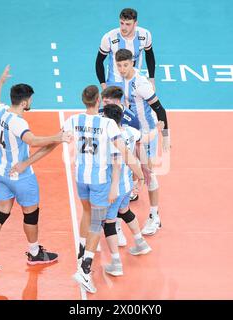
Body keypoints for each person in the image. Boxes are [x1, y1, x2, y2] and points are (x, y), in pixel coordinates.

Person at [0, 65, 71, 273]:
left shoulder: (1, 111)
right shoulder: (18, 123)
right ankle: (35, 252)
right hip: (21, 176)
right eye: (31, 100)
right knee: (31, 214)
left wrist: (0, 81)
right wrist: (58, 137)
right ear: (25, 102)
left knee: (0, 213)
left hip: (1, 172)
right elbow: (33, 141)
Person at [63, 85, 144, 293]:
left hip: (80, 177)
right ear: (98, 100)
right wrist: (139, 171)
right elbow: (124, 151)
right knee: (97, 224)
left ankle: (82, 251)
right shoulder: (107, 123)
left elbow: (61, 138)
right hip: (99, 181)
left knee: (87, 214)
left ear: (83, 100)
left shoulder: (73, 120)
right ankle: (85, 269)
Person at [115, 48, 171, 236]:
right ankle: (133, 190)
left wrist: (165, 136)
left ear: (132, 63)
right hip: (133, 131)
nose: (122, 69)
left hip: (146, 133)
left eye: (125, 65)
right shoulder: (121, 77)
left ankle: (155, 216)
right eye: (119, 65)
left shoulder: (141, 84)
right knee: (129, 164)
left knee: (148, 173)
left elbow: (160, 109)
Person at [102, 104, 152, 277]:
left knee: (108, 222)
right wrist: (159, 129)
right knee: (124, 210)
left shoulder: (110, 138)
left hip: (114, 185)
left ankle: (116, 263)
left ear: (108, 119)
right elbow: (144, 139)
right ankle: (140, 243)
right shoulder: (131, 131)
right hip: (127, 184)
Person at [96, 8, 156, 91]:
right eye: (121, 23)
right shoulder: (109, 38)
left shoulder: (145, 35)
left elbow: (149, 55)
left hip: (137, 82)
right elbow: (99, 62)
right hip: (115, 83)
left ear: (135, 24)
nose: (123, 27)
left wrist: (152, 79)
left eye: (128, 24)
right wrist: (103, 85)